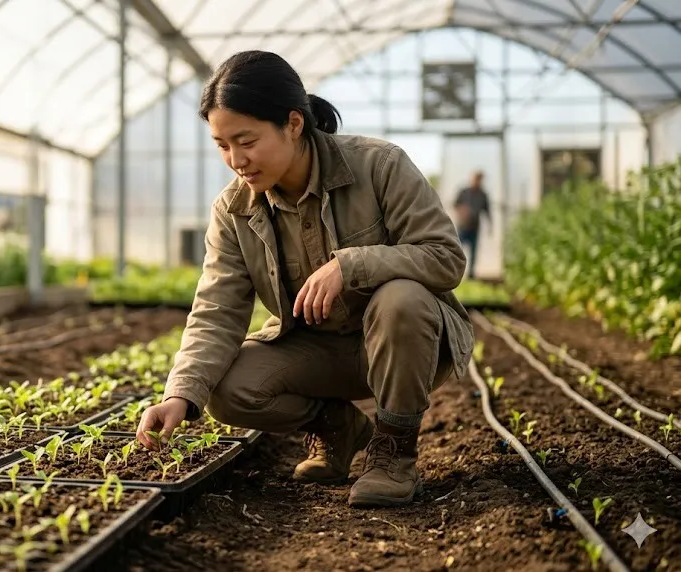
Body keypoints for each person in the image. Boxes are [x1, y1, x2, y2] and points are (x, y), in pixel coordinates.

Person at [134, 50, 475, 508]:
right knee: (227, 390)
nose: (235, 159)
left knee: (401, 299)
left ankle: (393, 455)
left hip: (404, 343)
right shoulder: (233, 210)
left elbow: (445, 257)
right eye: (222, 144)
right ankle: (339, 427)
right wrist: (179, 393)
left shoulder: (379, 165)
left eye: (246, 140)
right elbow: (217, 309)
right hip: (321, 352)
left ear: (294, 124)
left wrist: (351, 264)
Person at [453, 171, 491, 279]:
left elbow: (487, 210)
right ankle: (456, 272)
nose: (477, 181)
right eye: (476, 179)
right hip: (463, 226)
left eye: (479, 179)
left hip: (475, 227)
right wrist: (463, 211)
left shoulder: (483, 194)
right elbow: (455, 204)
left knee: (473, 251)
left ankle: (471, 274)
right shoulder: (464, 192)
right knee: (459, 249)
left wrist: (490, 225)